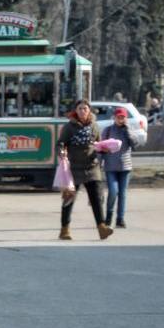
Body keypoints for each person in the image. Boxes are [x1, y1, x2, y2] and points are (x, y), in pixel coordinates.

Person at [57, 99, 113, 241]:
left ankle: (102, 228)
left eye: (85, 108)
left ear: (89, 111)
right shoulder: (69, 127)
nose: (83, 111)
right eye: (80, 108)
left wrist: (105, 149)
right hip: (74, 168)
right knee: (68, 199)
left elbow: (98, 143)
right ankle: (64, 229)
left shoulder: (94, 126)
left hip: (92, 167)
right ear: (76, 111)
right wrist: (61, 151)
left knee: (96, 198)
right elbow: (60, 143)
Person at [101, 106, 140, 228]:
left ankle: (120, 219)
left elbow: (135, 145)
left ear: (126, 118)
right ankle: (108, 217)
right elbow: (101, 148)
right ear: (114, 117)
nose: (120, 119)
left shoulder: (129, 130)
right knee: (113, 191)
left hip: (125, 167)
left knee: (122, 194)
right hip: (110, 167)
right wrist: (98, 162)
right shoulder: (107, 131)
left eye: (123, 117)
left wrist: (128, 130)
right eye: (118, 117)